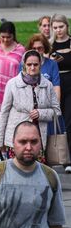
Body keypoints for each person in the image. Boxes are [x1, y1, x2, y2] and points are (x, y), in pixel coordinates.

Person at [0, 50, 61, 159]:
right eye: (29, 64)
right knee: (15, 173)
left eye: (36, 64)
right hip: (16, 139)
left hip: (38, 140)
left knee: (37, 173)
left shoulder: (47, 85)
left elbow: (57, 111)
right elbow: (4, 113)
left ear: (40, 65)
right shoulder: (13, 84)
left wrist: (41, 113)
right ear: (24, 65)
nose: (32, 67)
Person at [0, 22, 26, 134]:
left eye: (9, 37)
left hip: (11, 94)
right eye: (3, 37)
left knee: (9, 129)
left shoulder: (21, 50)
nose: (5, 40)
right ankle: (1, 150)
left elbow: (24, 71)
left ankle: (8, 151)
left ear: (14, 36)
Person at [50, 14, 71, 173]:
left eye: (61, 27)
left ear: (66, 26)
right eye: (55, 27)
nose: (58, 30)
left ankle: (68, 158)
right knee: (58, 121)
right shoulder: (50, 44)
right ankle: (59, 157)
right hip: (56, 85)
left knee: (69, 122)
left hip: (70, 83)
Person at [26, 34, 60, 100]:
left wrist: (57, 106)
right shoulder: (23, 64)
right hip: (28, 100)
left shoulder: (52, 64)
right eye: (34, 48)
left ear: (45, 48)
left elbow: (56, 86)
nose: (37, 51)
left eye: (40, 48)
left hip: (47, 101)